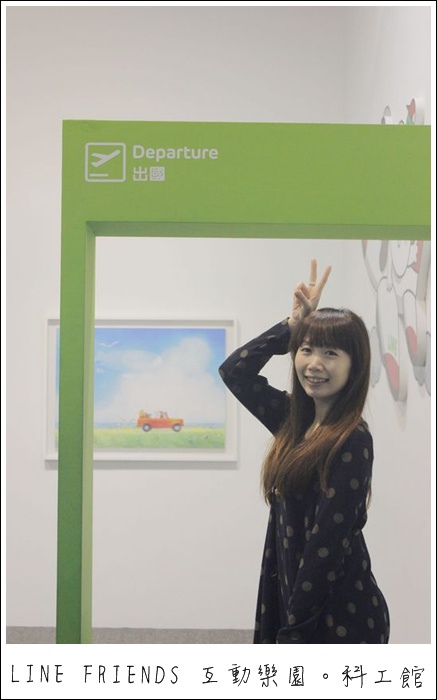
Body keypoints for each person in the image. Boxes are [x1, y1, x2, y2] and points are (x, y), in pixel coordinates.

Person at [219, 260, 390, 644]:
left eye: (330, 353)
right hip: (291, 592)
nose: (314, 364)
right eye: (307, 349)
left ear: (354, 366)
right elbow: (234, 372)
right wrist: (291, 326)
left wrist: (294, 631)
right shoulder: (292, 420)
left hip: (337, 610)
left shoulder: (352, 440)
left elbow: (325, 547)